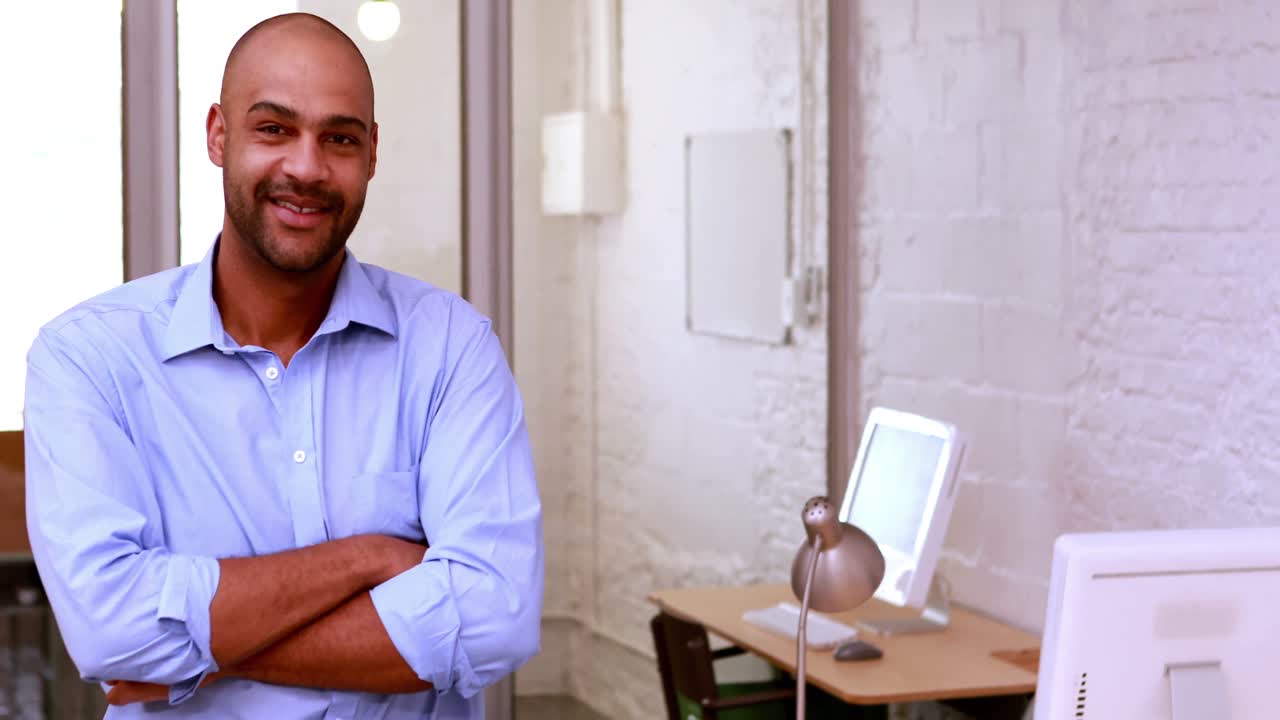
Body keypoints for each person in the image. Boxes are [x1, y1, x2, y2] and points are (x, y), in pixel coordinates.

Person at [22, 13, 542, 719]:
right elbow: (110, 626)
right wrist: (369, 559)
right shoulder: (89, 357)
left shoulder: (450, 347)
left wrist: (192, 656)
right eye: (274, 129)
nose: (306, 167)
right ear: (218, 134)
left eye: (339, 138)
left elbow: (494, 616)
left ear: (372, 152)